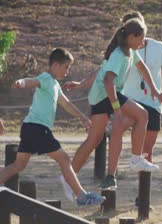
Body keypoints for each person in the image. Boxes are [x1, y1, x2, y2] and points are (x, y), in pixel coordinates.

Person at [60, 19, 162, 201]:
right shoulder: (119, 54)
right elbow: (108, 81)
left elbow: (141, 69)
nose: (143, 42)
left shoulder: (130, 52)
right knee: (143, 114)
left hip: (100, 96)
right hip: (106, 95)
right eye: (141, 38)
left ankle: (67, 178)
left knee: (94, 139)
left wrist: (155, 90)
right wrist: (116, 108)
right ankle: (136, 159)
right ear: (132, 37)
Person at [0, 48, 105, 206]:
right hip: (38, 128)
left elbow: (66, 104)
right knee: (64, 159)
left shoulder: (55, 85)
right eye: (66, 67)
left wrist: (82, 117)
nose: (67, 71)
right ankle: (82, 196)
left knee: (18, 165)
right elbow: (33, 81)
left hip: (29, 127)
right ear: (56, 65)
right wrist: (22, 82)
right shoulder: (46, 78)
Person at [119, 11, 162, 207]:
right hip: (128, 101)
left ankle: (142, 197)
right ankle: (107, 184)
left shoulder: (158, 47)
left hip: (153, 103)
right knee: (113, 139)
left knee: (146, 151)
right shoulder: (120, 50)